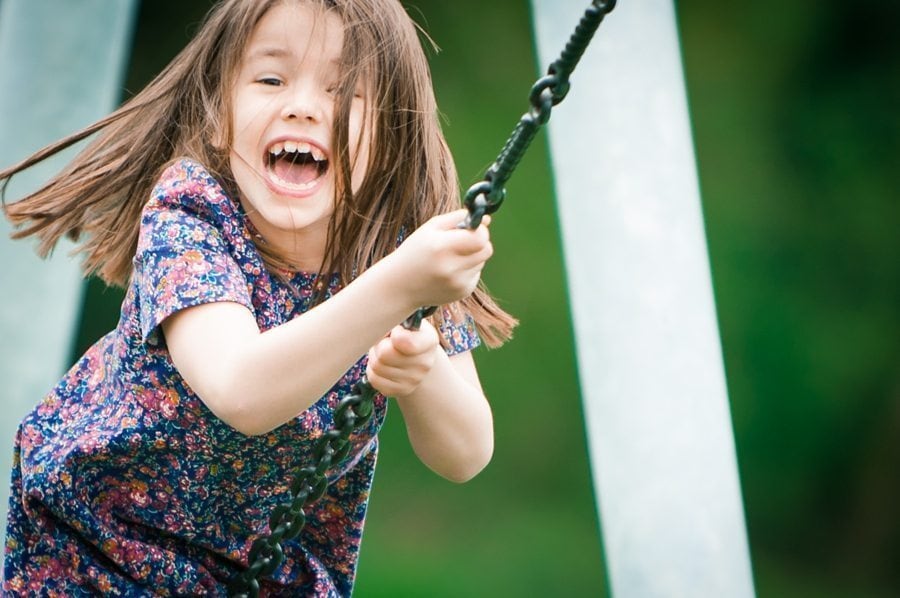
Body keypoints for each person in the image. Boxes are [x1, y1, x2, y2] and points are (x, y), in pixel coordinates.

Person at [0, 0, 516, 594]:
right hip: (100, 549)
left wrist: (423, 367)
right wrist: (398, 285)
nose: (300, 104)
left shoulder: (397, 250)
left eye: (343, 89)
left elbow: (466, 452)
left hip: (261, 577)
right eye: (270, 79)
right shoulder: (192, 215)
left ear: (393, 135)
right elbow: (240, 390)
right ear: (220, 114)